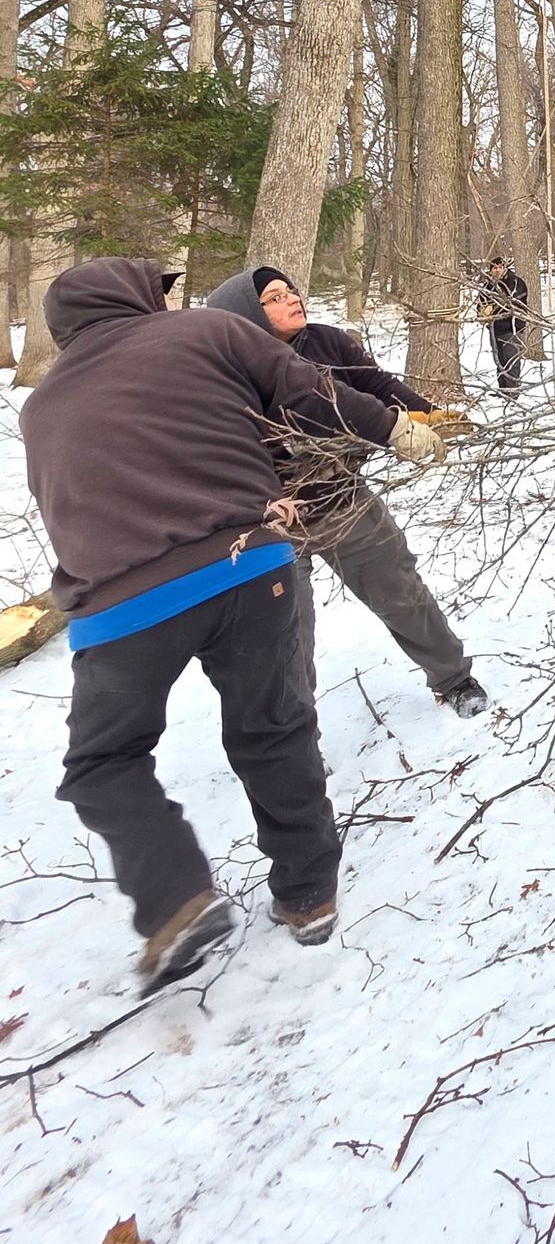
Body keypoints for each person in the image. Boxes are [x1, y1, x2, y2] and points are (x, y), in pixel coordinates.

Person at [19, 257, 448, 996]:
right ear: (133, 298)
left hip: (122, 607)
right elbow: (310, 391)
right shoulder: (207, 332)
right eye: (157, 292)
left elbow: (64, 503)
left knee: (103, 764)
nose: (167, 301)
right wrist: (396, 431)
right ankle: (310, 896)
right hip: (248, 565)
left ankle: (174, 898)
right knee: (272, 727)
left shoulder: (39, 407)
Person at [205, 267, 489, 719]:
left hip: (341, 495)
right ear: (244, 315)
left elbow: (376, 387)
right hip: (273, 523)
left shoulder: (326, 341)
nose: (293, 299)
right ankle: (294, 734)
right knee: (288, 632)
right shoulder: (225, 375)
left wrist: (427, 415)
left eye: (291, 290)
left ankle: (453, 677)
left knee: (400, 589)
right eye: (275, 298)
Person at [478, 254, 529, 394]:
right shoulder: (487, 286)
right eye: (494, 268)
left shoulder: (516, 283)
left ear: (505, 268)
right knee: (499, 360)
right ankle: (503, 390)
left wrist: (494, 309)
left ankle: (513, 391)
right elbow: (480, 305)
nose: (497, 270)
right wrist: (483, 313)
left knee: (511, 359)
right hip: (495, 328)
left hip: (511, 327)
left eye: (500, 267)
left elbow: (514, 302)